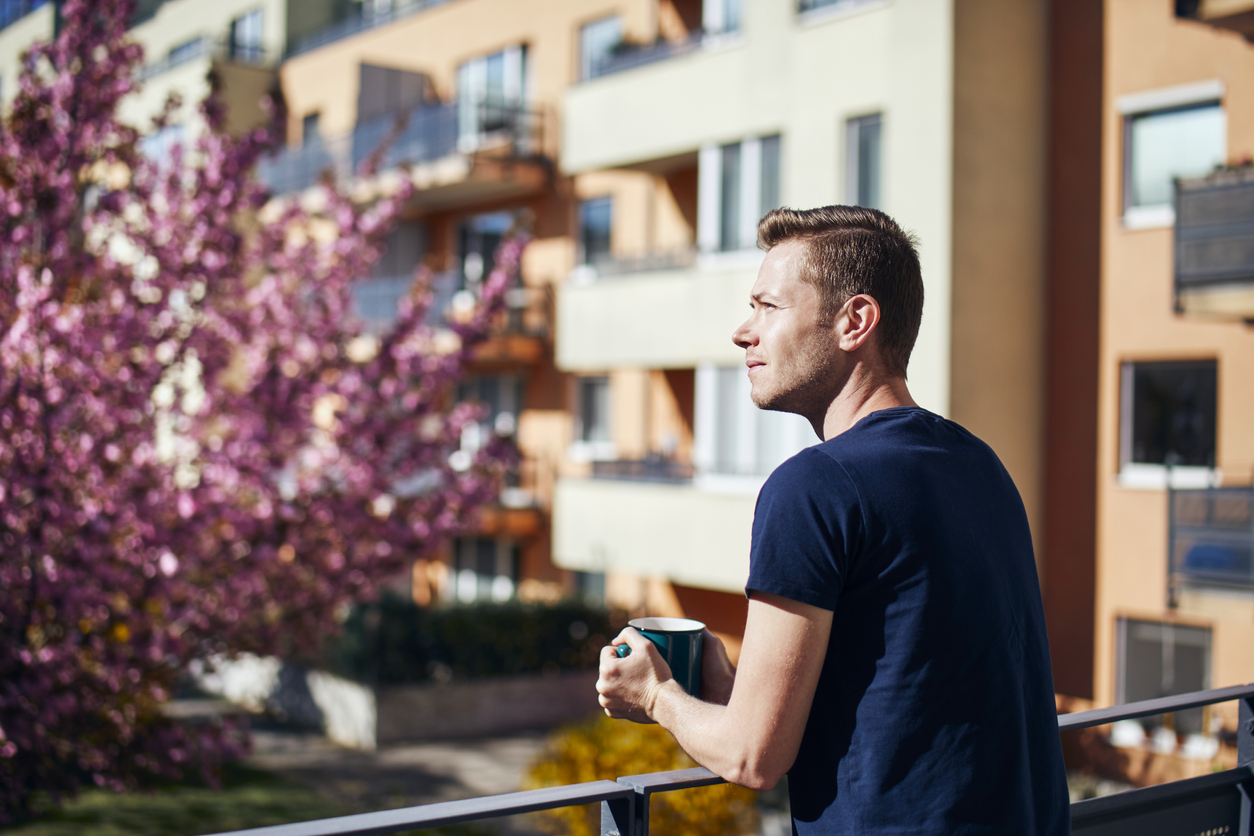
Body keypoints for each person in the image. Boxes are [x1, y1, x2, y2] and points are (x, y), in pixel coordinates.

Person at [597, 205, 1070, 835]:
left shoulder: (813, 487)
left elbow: (753, 758)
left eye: (768, 307)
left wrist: (655, 694)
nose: (744, 331)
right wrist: (733, 691)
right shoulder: (978, 464)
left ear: (855, 321)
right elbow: (907, 697)